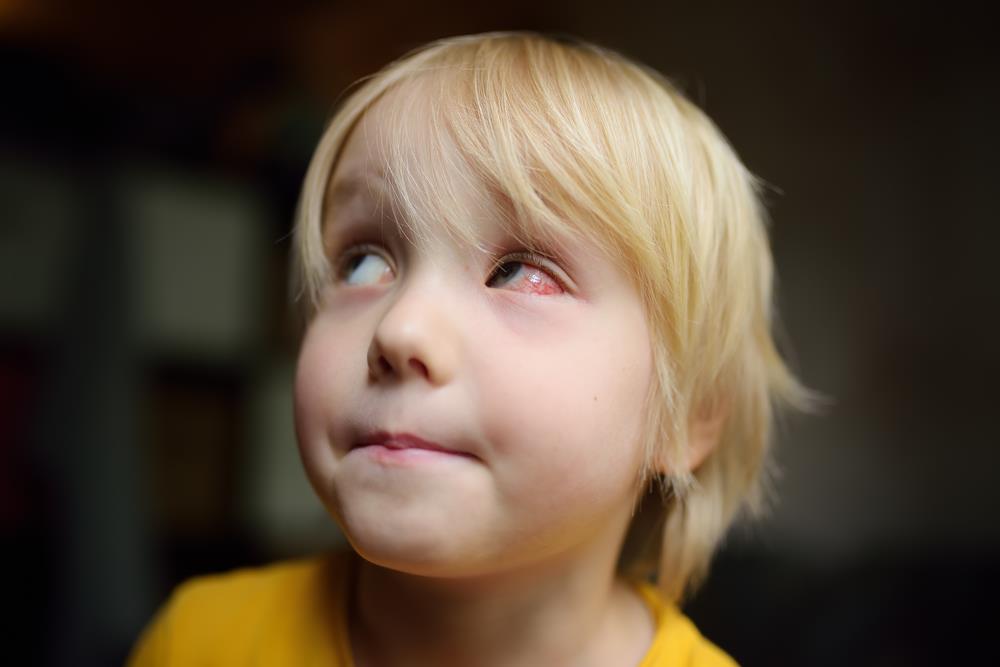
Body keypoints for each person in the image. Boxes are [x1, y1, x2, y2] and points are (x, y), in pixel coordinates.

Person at [128, 31, 812, 666]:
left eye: (521, 271)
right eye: (364, 262)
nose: (399, 331)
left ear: (688, 414)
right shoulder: (198, 640)